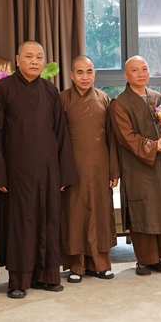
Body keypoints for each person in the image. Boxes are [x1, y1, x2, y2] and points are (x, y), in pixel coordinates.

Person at [0, 41, 78, 299]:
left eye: (39, 57)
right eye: (29, 56)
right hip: (16, 171)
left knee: (48, 221)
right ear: (17, 59)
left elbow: (60, 132)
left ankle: (47, 276)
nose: (35, 61)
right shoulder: (3, 89)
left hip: (48, 169)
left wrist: (63, 172)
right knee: (21, 224)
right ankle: (19, 280)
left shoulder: (50, 90)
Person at [109, 55, 161, 276]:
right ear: (126, 75)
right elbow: (126, 137)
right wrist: (153, 146)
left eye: (144, 69)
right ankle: (144, 260)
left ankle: (159, 258)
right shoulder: (119, 103)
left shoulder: (158, 98)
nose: (141, 74)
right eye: (135, 70)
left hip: (160, 164)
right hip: (136, 164)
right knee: (142, 209)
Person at [60, 56, 119, 283]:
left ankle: (100, 264)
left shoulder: (104, 99)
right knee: (75, 214)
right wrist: (60, 172)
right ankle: (76, 266)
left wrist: (113, 170)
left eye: (89, 72)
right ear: (71, 75)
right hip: (72, 167)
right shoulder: (62, 99)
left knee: (100, 213)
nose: (85, 77)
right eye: (80, 72)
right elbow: (57, 139)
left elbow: (111, 138)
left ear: (95, 74)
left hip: (100, 166)